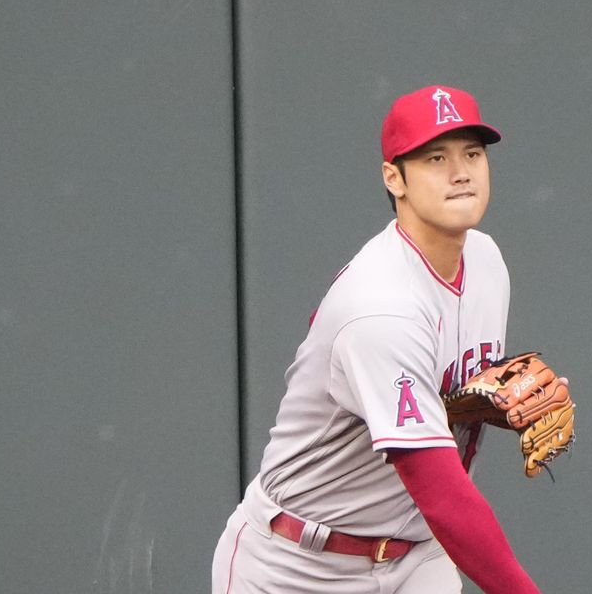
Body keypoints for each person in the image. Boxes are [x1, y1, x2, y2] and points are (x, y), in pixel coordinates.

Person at [211, 85, 541, 593]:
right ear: (395, 178)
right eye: (436, 158)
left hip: (416, 557)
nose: (461, 172)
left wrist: (493, 405)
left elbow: (436, 397)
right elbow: (440, 491)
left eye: (472, 153)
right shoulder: (380, 306)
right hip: (297, 566)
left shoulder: (486, 261)